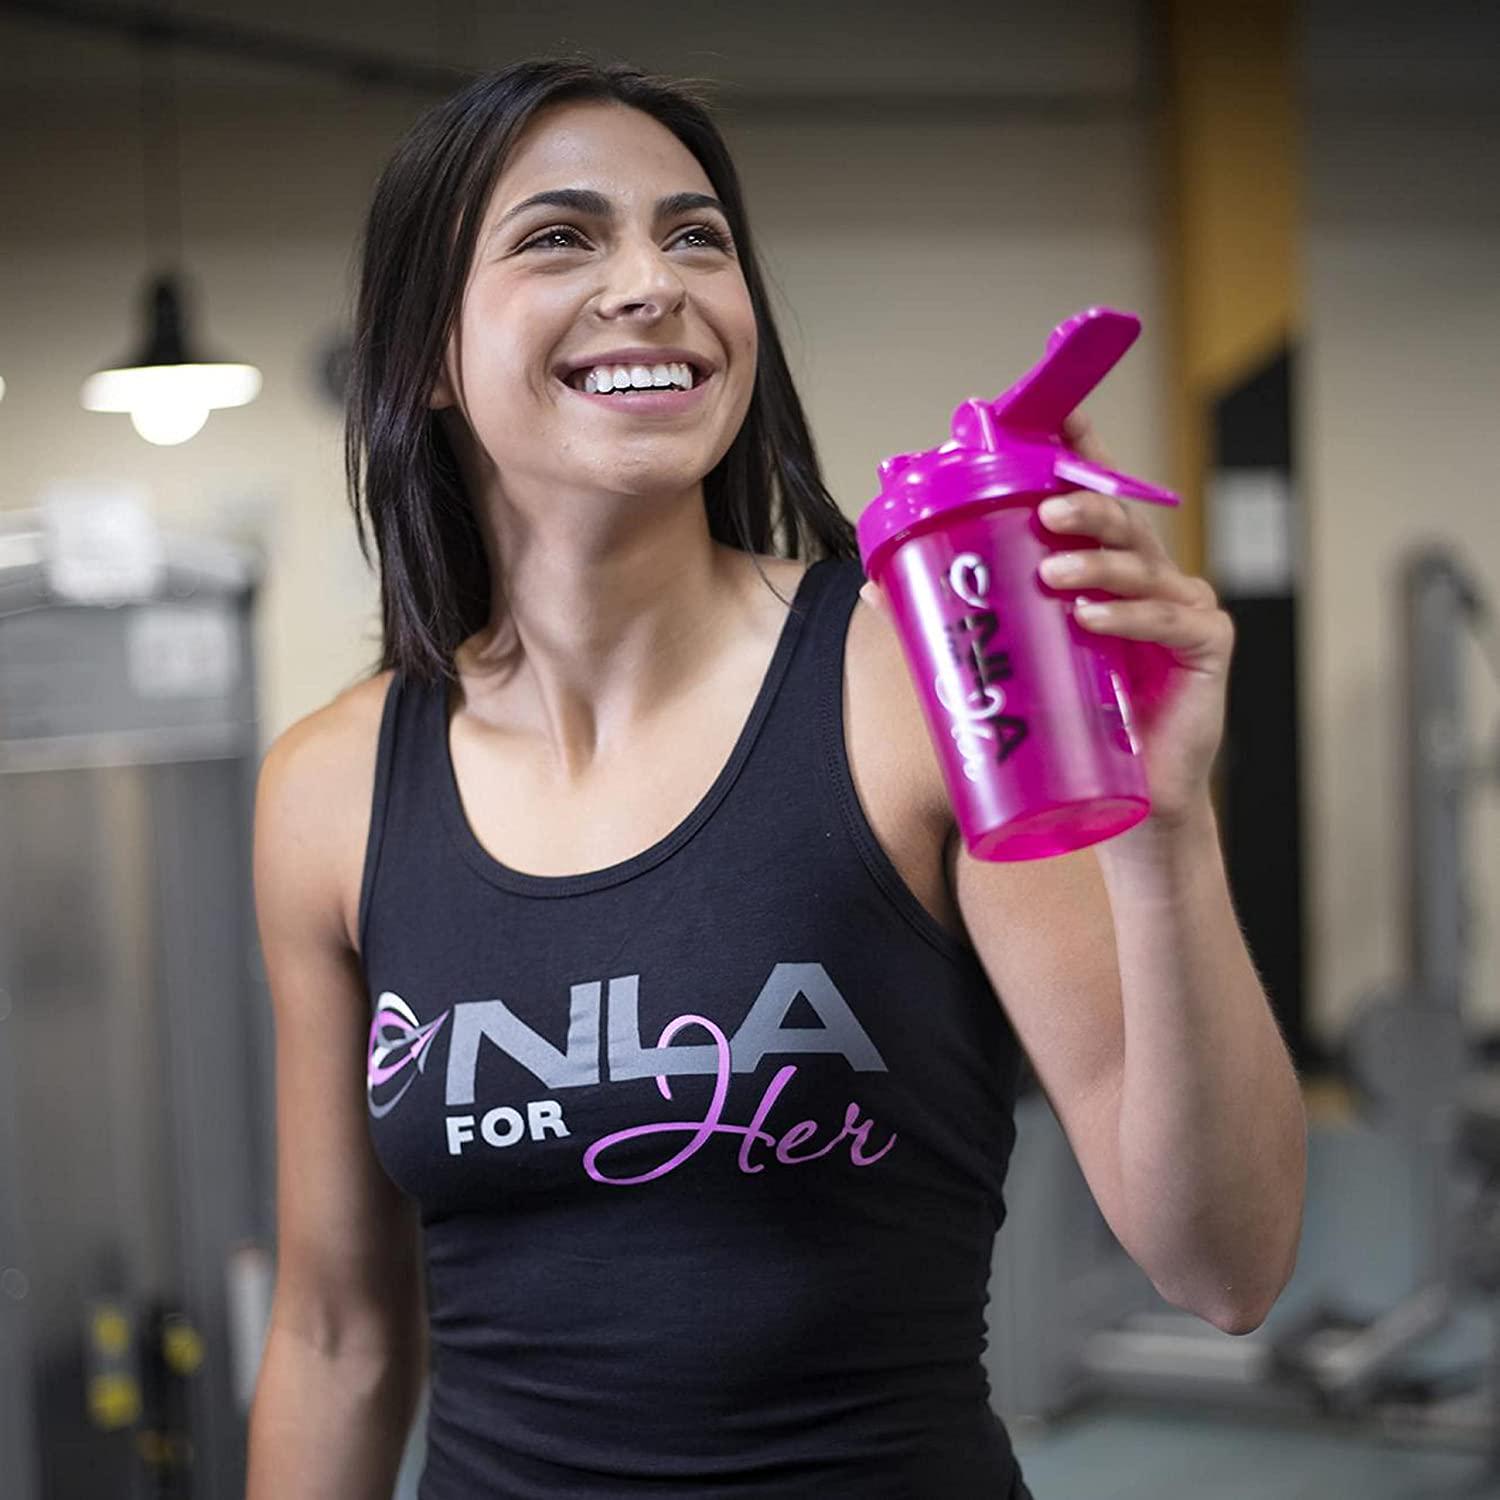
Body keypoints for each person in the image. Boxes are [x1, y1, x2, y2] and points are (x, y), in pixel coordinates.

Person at [245, 56, 1307, 1500]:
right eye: (561, 238)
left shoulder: (916, 686)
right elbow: (333, 1339)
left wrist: (1162, 829)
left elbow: (1226, 1265)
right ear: (424, 355)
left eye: (697, 238)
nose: (652, 283)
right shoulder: (331, 789)